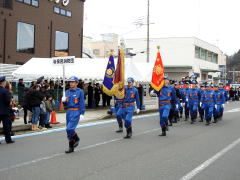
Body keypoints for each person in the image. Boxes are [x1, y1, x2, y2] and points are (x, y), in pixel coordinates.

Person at [62, 76, 85, 153]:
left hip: (76, 112)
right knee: (68, 131)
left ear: (76, 83)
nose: (71, 83)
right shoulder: (67, 92)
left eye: (73, 82)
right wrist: (64, 101)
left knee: (70, 129)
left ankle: (77, 138)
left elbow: (81, 103)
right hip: (68, 112)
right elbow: (66, 105)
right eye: (70, 82)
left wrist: (82, 113)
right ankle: (71, 147)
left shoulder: (80, 91)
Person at [0, 76, 14, 144]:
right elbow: (7, 101)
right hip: (4, 111)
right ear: (3, 82)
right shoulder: (5, 91)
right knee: (6, 126)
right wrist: (10, 102)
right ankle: (8, 139)